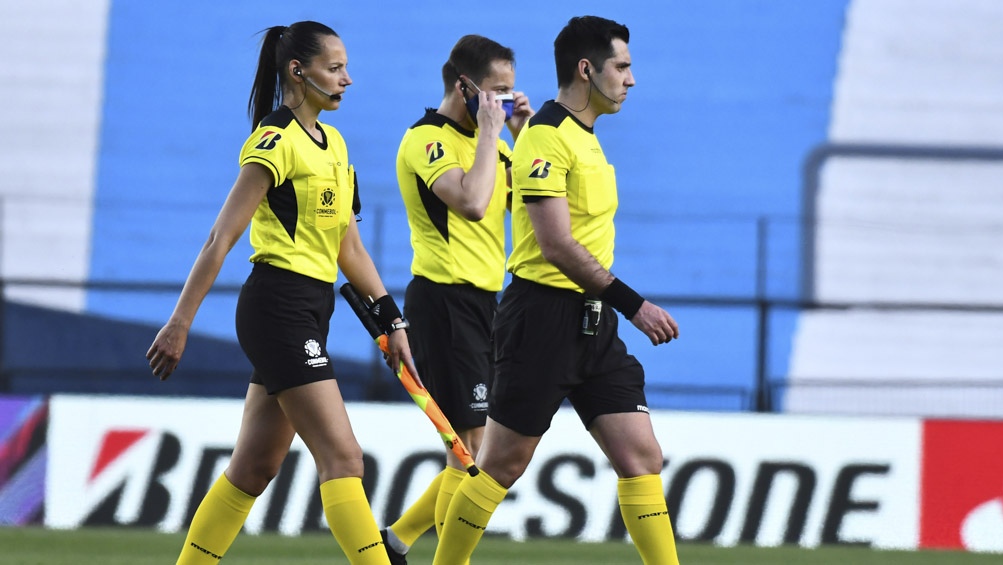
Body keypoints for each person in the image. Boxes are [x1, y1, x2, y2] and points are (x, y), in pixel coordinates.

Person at [145, 21, 414, 565]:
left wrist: (394, 321)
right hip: (277, 307)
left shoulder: (336, 145)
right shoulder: (273, 140)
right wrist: (180, 322)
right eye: (335, 68)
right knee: (343, 456)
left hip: (310, 312)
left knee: (253, 468)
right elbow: (221, 237)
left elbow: (351, 250)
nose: (348, 79)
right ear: (298, 71)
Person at [433, 16, 682, 565]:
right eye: (623, 66)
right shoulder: (546, 136)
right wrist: (634, 305)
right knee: (500, 464)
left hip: (595, 325)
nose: (631, 80)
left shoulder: (583, 138)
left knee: (643, 456)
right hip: (543, 319)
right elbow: (556, 246)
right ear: (586, 69)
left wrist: (617, 310)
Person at [380, 35, 533, 564]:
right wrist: (494, 135)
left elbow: (536, 214)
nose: (504, 102)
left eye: (511, 92)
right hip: (444, 301)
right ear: (463, 86)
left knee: (467, 449)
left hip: (487, 304)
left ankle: (397, 541)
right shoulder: (426, 139)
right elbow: (470, 202)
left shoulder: (500, 141)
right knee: (471, 447)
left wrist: (523, 135)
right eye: (497, 91)